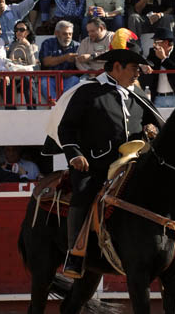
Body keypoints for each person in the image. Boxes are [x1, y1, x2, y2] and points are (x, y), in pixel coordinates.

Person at [42, 47, 163, 277]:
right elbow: (66, 127)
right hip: (95, 166)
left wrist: (152, 128)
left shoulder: (137, 95)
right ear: (117, 67)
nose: (138, 73)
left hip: (133, 165)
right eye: (134, 68)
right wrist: (75, 154)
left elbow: (155, 123)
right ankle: (75, 255)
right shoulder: (87, 92)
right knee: (84, 192)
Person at [141, 27, 175, 107]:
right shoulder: (153, 52)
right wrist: (144, 66)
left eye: (156, 42)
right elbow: (147, 64)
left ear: (166, 42)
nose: (154, 45)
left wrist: (164, 59)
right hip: (158, 98)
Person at [38, 20, 80, 101]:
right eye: (65, 34)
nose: (68, 36)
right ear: (56, 33)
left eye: (70, 34)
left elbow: (81, 67)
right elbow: (46, 62)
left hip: (68, 79)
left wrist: (72, 73)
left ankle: (59, 104)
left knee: (75, 80)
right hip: (50, 78)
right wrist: (65, 57)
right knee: (44, 83)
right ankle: (56, 104)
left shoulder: (77, 46)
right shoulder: (48, 43)